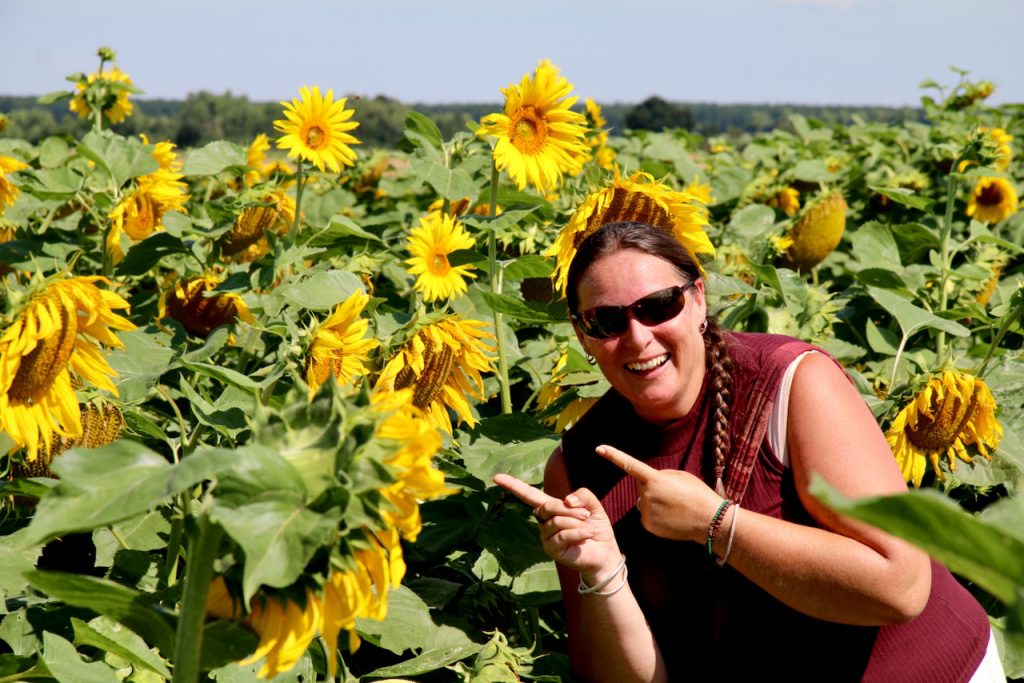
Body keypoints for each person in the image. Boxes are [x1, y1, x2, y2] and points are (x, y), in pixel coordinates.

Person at [494, 221, 1003, 682]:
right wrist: (603, 576)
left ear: (697, 300)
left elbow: (901, 587)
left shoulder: (792, 383)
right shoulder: (580, 467)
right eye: (606, 320)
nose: (637, 337)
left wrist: (716, 523)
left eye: (657, 306)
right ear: (583, 334)